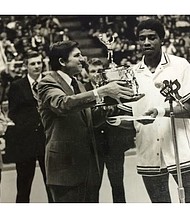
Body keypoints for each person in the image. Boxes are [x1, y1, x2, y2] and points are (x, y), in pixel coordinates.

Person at [37, 40, 140, 203]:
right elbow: (63, 104)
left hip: (89, 168)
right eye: (77, 55)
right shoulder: (47, 82)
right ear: (62, 62)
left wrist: (115, 101)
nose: (83, 59)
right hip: (66, 169)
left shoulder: (77, 84)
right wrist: (100, 91)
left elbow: (90, 119)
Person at [130, 18, 190, 203]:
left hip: (181, 147)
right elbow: (129, 113)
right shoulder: (132, 73)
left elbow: (189, 107)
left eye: (152, 37)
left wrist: (160, 111)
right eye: (142, 38)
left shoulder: (181, 65)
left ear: (162, 39)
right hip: (148, 149)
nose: (146, 42)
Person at [85, 58, 136, 202]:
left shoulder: (114, 87)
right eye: (92, 71)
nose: (96, 75)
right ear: (86, 73)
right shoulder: (83, 89)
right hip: (93, 146)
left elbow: (125, 109)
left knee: (118, 185)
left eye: (99, 71)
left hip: (113, 143)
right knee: (93, 187)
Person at [7, 50, 53, 203]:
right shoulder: (17, 86)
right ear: (26, 66)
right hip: (25, 143)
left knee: (52, 185)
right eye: (33, 63)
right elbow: (13, 113)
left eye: (39, 63)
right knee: (24, 186)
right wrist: (31, 124)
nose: (37, 66)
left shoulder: (49, 82)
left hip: (47, 140)